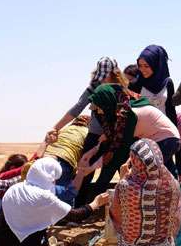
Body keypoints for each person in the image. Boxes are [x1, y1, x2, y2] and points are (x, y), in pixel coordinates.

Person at [51, 57, 130, 205]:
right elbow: (77, 108)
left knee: (123, 170)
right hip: (95, 135)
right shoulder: (93, 88)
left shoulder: (121, 90)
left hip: (116, 137)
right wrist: (56, 127)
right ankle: (78, 208)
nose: (102, 80)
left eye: (105, 76)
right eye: (100, 76)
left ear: (114, 74)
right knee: (85, 170)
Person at [89, 84, 181, 187]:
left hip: (165, 140)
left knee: (145, 175)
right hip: (161, 139)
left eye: (99, 107)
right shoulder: (122, 110)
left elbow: (120, 151)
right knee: (163, 176)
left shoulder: (127, 115)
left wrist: (97, 179)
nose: (98, 111)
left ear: (108, 103)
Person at [130, 45, 181, 180]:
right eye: (140, 66)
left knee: (167, 170)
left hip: (163, 134)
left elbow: (171, 111)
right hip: (142, 136)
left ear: (156, 64)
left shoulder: (168, 83)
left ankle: (175, 197)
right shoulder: (135, 84)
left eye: (146, 66)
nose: (142, 69)